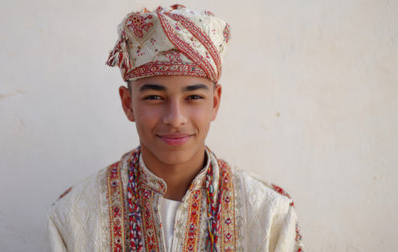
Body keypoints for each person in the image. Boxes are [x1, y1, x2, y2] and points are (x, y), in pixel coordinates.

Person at [47, 4, 304, 252]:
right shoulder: (74, 216)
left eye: (193, 98)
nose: (175, 118)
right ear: (128, 104)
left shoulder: (269, 215)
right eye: (155, 98)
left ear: (214, 103)